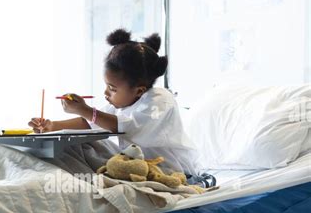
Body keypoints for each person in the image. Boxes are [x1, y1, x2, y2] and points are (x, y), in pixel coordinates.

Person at [29, 28, 199, 174]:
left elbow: (128, 127)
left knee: (86, 150)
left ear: (139, 90)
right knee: (77, 147)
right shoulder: (124, 102)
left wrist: (85, 110)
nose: (106, 92)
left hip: (175, 170)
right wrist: (52, 126)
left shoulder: (161, 100)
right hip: (141, 167)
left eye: (112, 88)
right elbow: (91, 122)